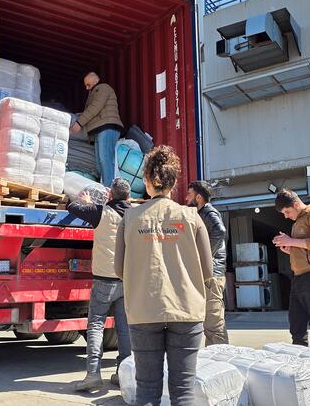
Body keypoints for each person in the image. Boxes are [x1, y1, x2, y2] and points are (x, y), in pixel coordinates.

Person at [115, 146, 213, 406]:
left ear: (147, 181)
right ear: (174, 183)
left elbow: (117, 269)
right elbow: (208, 269)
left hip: (143, 310)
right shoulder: (191, 217)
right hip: (187, 309)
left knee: (146, 390)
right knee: (183, 391)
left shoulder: (130, 217)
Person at [67, 178, 133, 391]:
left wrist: (86, 201)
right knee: (124, 329)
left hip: (104, 280)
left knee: (96, 325)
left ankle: (93, 374)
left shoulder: (100, 212)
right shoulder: (136, 215)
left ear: (110, 195)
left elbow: (72, 207)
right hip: (126, 280)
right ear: (129, 197)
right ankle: (123, 374)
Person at [271, 188, 310, 350]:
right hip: (299, 276)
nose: (286, 216)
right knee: (296, 322)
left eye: (287, 211)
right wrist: (289, 248)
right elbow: (303, 247)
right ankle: (301, 362)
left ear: (296, 204)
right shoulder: (297, 222)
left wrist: (291, 241)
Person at [186, 181, 229, 346]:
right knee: (209, 322)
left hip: (213, 275)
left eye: (189, 194)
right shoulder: (200, 213)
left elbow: (220, 231)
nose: (186, 197)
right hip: (208, 274)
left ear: (199, 197)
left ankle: (220, 362)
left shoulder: (209, 212)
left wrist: (205, 257)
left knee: (213, 322)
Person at [71, 72, 124, 186]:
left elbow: (95, 107)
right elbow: (93, 110)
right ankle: (106, 187)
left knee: (105, 159)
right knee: (100, 163)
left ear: (95, 80)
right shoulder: (95, 91)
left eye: (88, 85)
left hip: (108, 127)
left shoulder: (103, 88)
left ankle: (109, 190)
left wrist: (79, 122)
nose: (86, 88)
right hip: (100, 129)